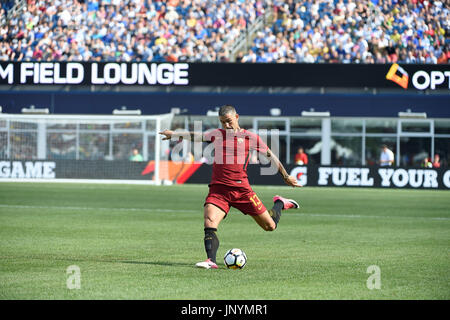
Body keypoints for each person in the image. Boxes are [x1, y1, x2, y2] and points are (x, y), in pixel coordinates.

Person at [159, 105, 301, 269]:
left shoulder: (250, 138)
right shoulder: (217, 135)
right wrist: (174, 135)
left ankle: (280, 203)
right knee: (209, 221)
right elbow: (196, 136)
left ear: (237, 117)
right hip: (219, 190)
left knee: (270, 226)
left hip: (242, 191)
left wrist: (286, 176)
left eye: (228, 121)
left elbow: (271, 156)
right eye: (222, 122)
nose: (226, 125)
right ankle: (210, 260)